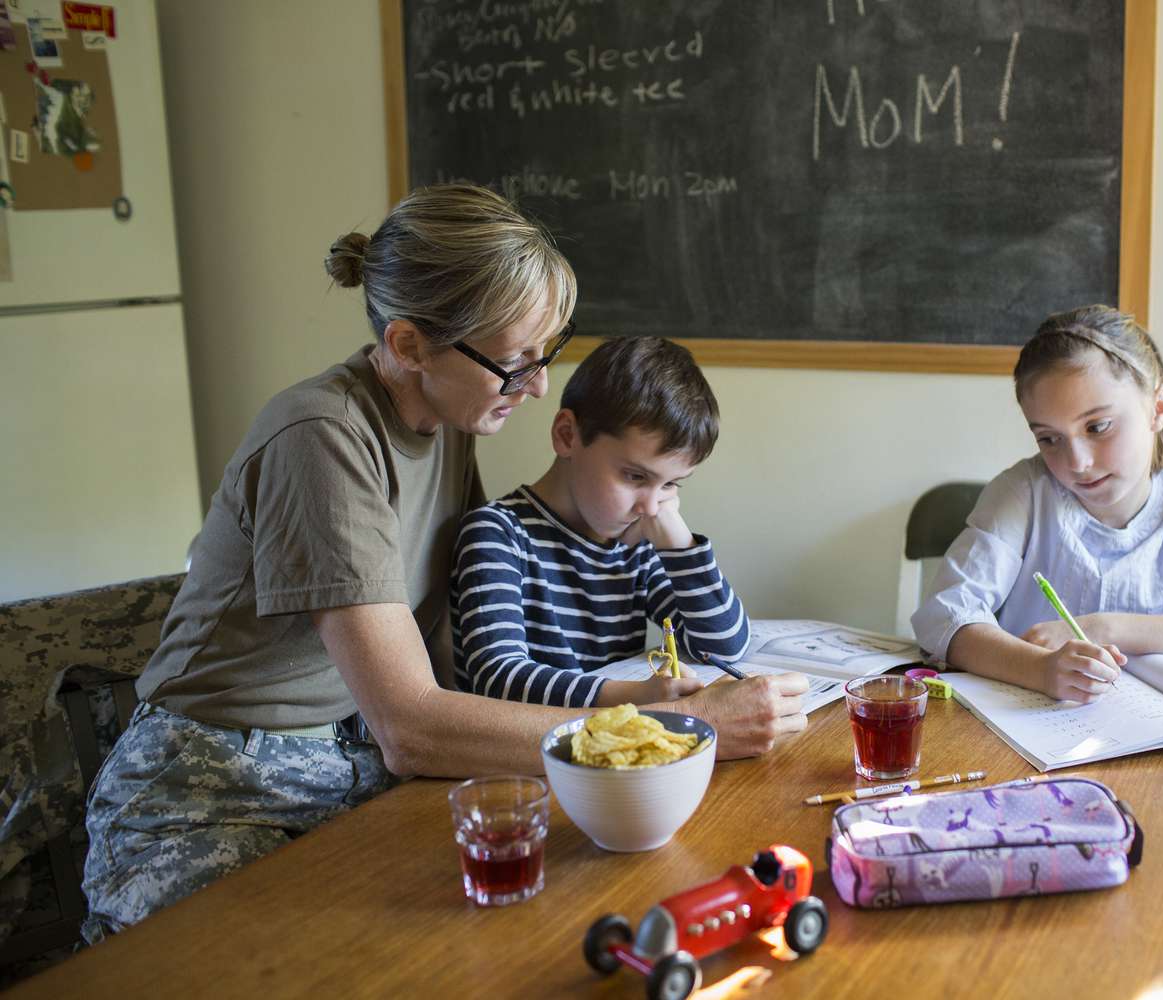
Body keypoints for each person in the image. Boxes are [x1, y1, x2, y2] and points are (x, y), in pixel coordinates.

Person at [80, 185, 805, 940]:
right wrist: (670, 726)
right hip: (214, 791)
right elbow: (412, 726)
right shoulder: (321, 437)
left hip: (350, 773)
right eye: (513, 363)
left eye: (546, 354)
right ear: (407, 346)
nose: (537, 386)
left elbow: (452, 653)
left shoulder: (453, 420)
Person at [911, 304, 1163, 704]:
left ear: (1158, 408)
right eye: (1049, 438)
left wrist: (1103, 628)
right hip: (1030, 738)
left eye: (1098, 427)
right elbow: (943, 617)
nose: (1077, 463)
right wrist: (1040, 670)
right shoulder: (1024, 492)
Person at [451, 336, 752, 708]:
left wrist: (681, 546)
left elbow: (722, 646)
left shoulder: (637, 544)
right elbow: (497, 676)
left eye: (670, 484)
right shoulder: (497, 534)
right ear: (567, 436)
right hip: (520, 757)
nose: (652, 506)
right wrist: (636, 698)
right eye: (635, 477)